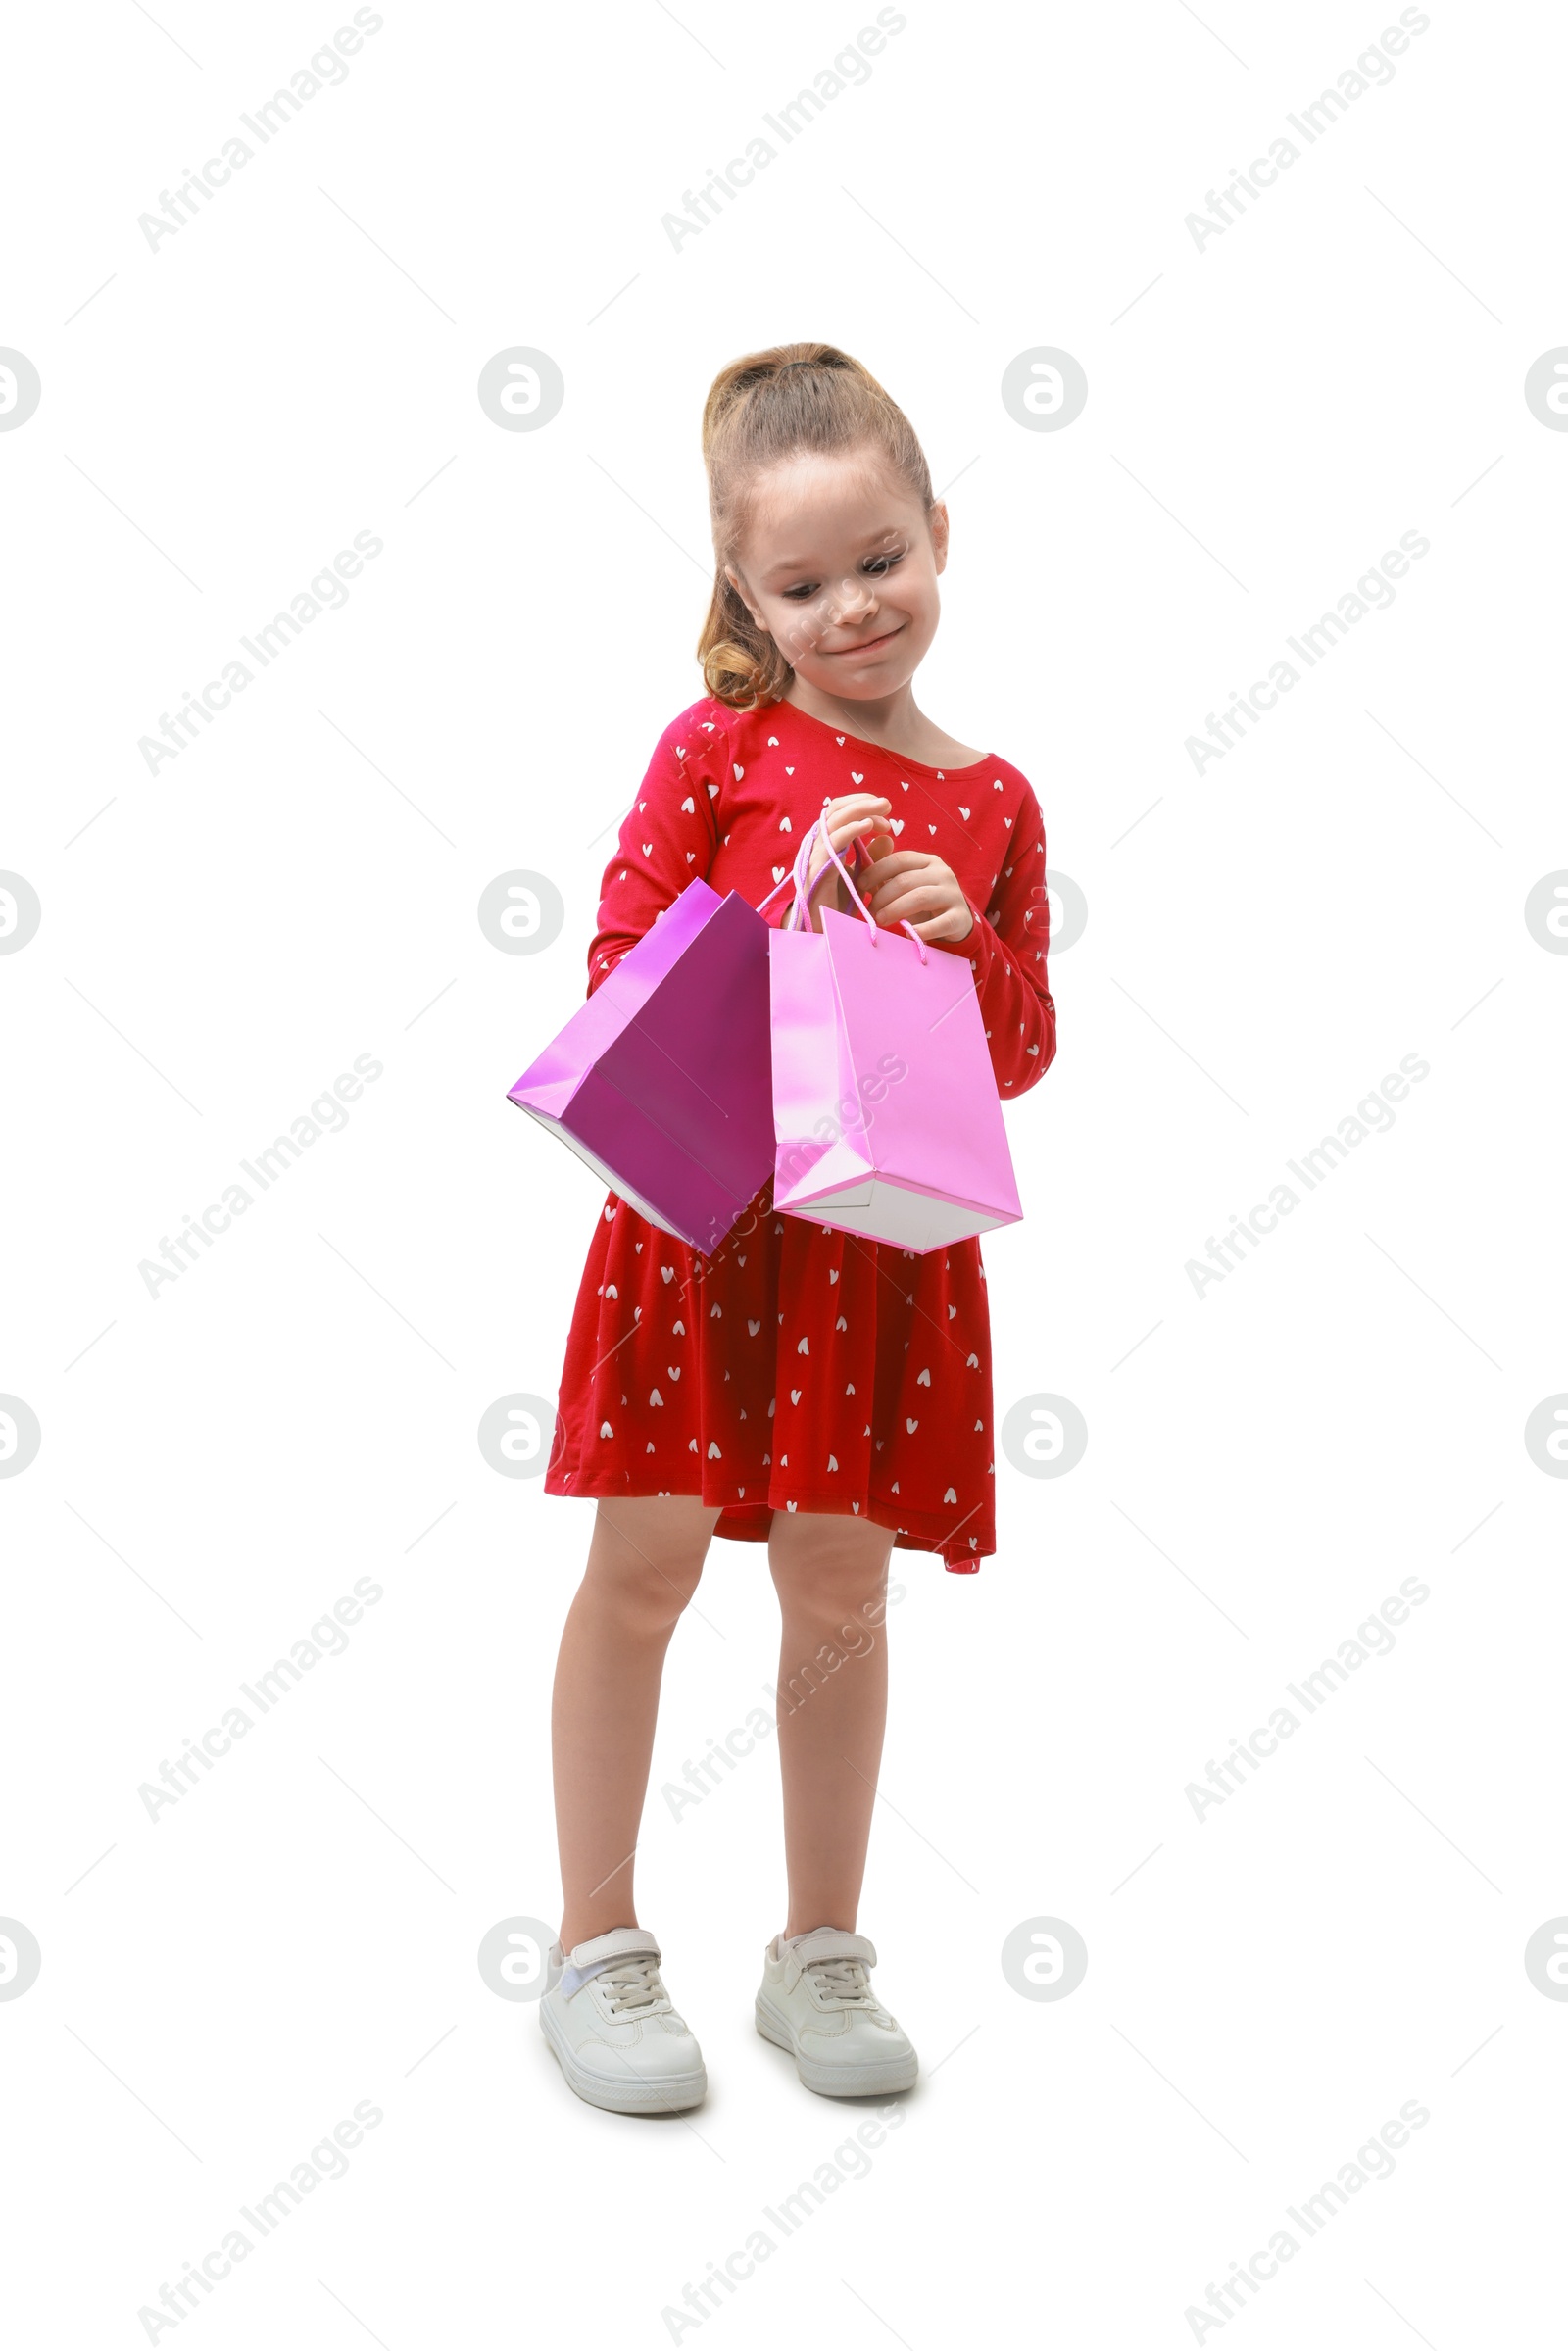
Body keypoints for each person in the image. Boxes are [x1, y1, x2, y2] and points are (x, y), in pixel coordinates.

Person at [535, 342, 1056, 2113]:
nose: (851, 609)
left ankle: (817, 1951)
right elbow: (615, 975)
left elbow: (1020, 1056)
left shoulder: (988, 797)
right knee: (645, 1573)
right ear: (743, 590)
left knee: (839, 1586)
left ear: (937, 532)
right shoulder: (719, 744)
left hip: (874, 1251)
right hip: (702, 1233)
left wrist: (953, 942)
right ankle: (597, 1947)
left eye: (880, 561)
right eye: (803, 582)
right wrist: (782, 903)